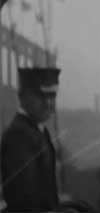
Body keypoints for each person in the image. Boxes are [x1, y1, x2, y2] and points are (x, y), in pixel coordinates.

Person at [1, 67, 61, 211]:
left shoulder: (38, 130)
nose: (48, 103)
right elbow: (25, 199)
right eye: (41, 96)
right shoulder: (19, 135)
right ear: (22, 97)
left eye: (52, 96)